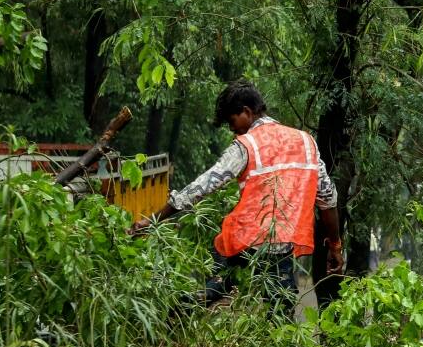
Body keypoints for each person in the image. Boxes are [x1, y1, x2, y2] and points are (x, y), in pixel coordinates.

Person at [131, 80, 344, 307]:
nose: (232, 129)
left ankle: (167, 321)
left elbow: (204, 184)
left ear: (246, 112)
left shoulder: (247, 144)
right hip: (280, 247)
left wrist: (153, 219)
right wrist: (335, 246)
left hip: (241, 242)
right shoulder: (306, 142)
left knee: (206, 293)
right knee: (281, 314)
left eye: (232, 122)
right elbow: (328, 200)